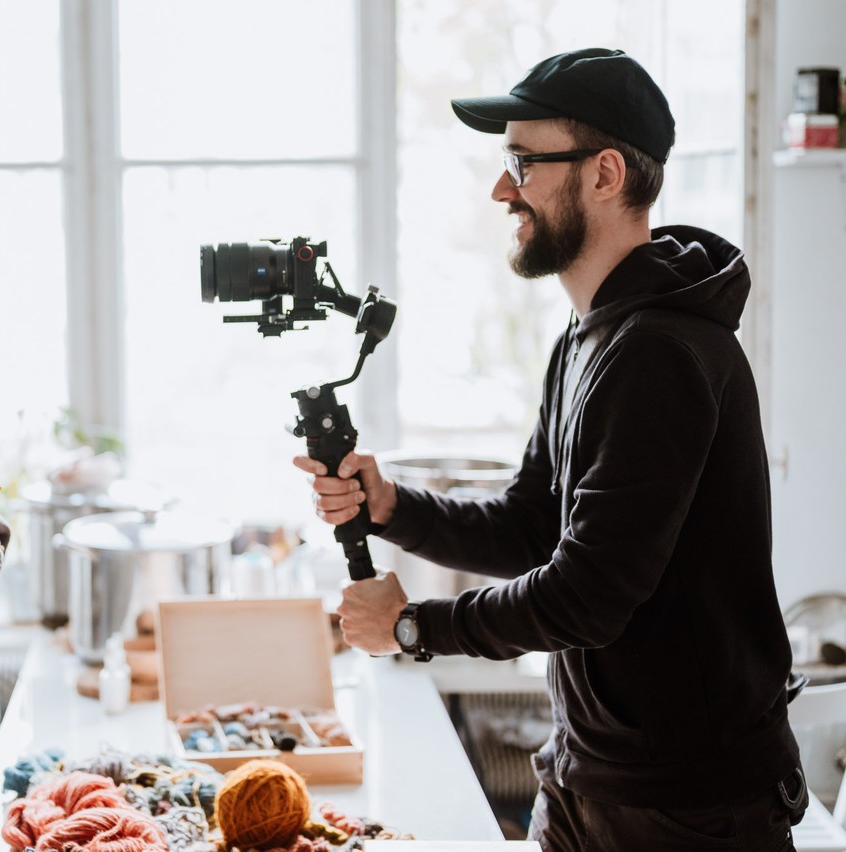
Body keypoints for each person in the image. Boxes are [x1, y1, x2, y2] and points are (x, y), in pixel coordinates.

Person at [296, 48, 805, 851]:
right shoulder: (590, 337)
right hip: (584, 776)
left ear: (605, 175)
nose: (503, 189)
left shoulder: (660, 353)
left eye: (524, 162)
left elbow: (589, 594)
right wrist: (394, 508)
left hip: (685, 806)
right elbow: (536, 528)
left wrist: (411, 627)